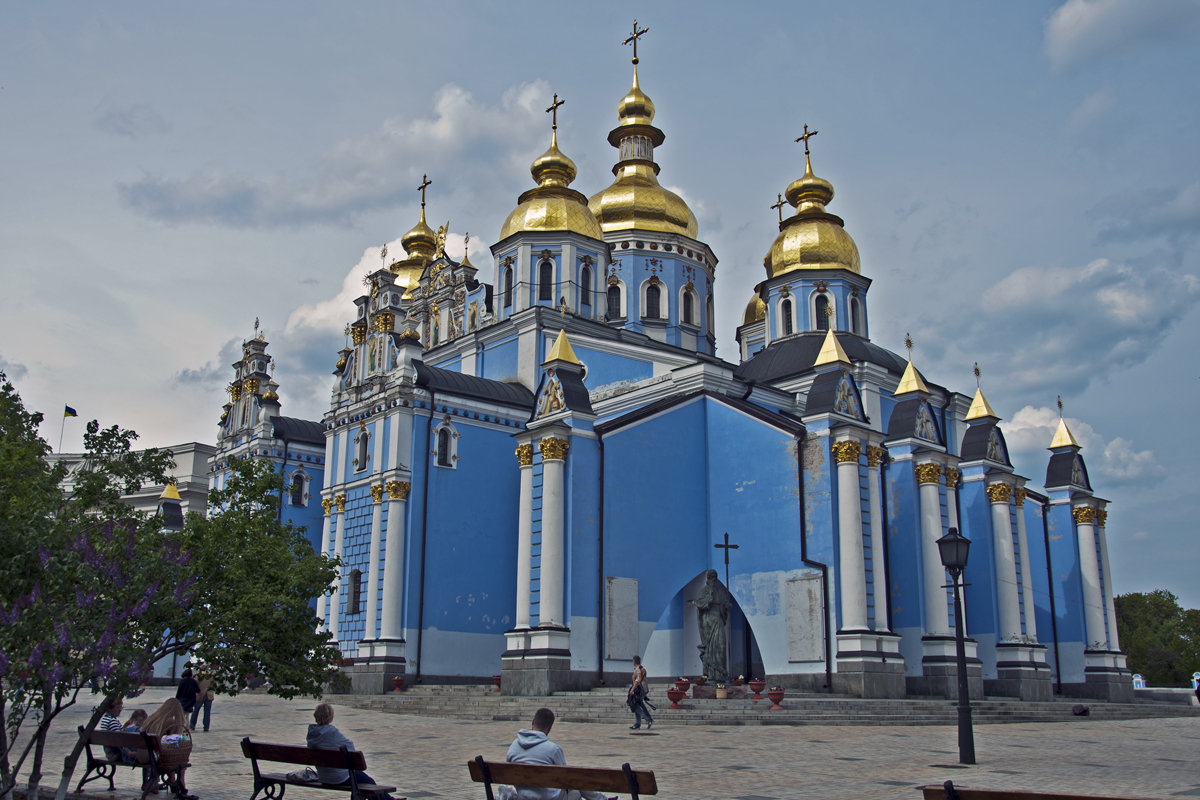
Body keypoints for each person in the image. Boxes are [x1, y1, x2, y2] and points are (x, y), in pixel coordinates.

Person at [501, 707, 607, 800]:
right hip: (549, 798)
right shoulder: (553, 749)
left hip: (522, 796)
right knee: (576, 785)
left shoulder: (514, 746)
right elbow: (566, 780)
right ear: (550, 728)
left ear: (533, 722)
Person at [307, 703, 394, 800]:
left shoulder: (311, 733)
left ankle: (391, 799)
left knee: (366, 782)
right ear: (330, 716)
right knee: (369, 782)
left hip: (323, 776)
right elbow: (350, 747)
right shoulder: (332, 732)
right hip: (339, 777)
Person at [143, 698, 196, 800]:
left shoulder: (153, 719)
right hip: (159, 758)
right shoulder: (170, 721)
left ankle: (172, 779)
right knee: (181, 756)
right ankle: (180, 782)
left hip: (145, 754)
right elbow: (173, 741)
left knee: (171, 752)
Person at [695, 569, 731, 683]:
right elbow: (699, 603)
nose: (713, 579)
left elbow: (724, 604)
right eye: (711, 577)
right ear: (708, 578)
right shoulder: (704, 591)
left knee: (721, 646)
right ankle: (711, 674)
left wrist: (726, 606)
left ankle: (720, 674)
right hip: (708, 621)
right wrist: (708, 599)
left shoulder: (720, 591)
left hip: (718, 620)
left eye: (715, 576)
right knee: (710, 648)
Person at [626, 655, 653, 730]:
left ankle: (648, 719)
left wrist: (632, 690)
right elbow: (644, 680)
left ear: (634, 661)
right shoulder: (643, 669)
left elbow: (637, 681)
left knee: (635, 705)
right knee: (636, 705)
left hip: (637, 690)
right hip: (642, 690)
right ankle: (637, 723)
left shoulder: (638, 669)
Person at [189, 666, 214, 732]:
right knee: (207, 712)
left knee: (196, 710)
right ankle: (206, 727)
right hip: (209, 694)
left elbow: (195, 684)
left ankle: (192, 725)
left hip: (200, 694)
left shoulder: (199, 675)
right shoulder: (211, 675)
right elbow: (214, 684)